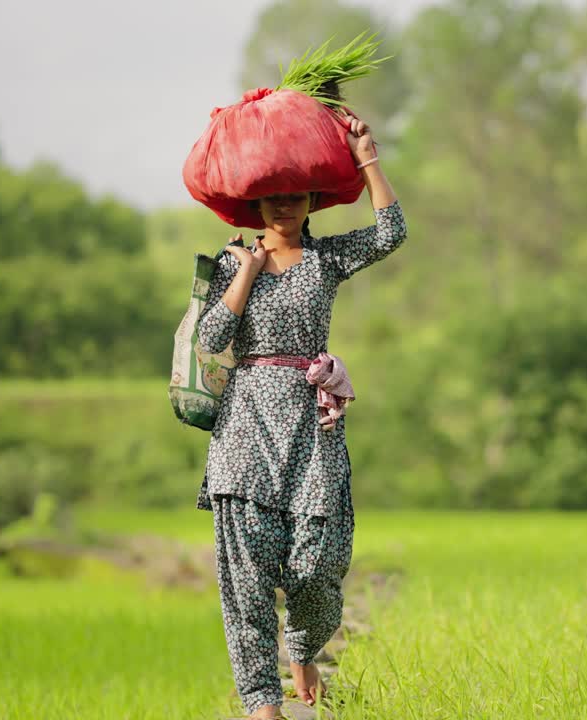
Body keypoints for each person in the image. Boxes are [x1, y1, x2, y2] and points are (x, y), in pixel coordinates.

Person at [192, 113, 405, 720]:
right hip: (245, 425)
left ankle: (304, 646)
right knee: (247, 573)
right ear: (254, 202)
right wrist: (249, 272)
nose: (283, 204)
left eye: (295, 194)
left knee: (319, 560)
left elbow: (390, 231)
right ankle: (262, 702)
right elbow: (211, 339)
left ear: (312, 199)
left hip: (313, 426)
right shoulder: (232, 262)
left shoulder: (327, 259)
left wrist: (367, 156)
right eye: (272, 195)